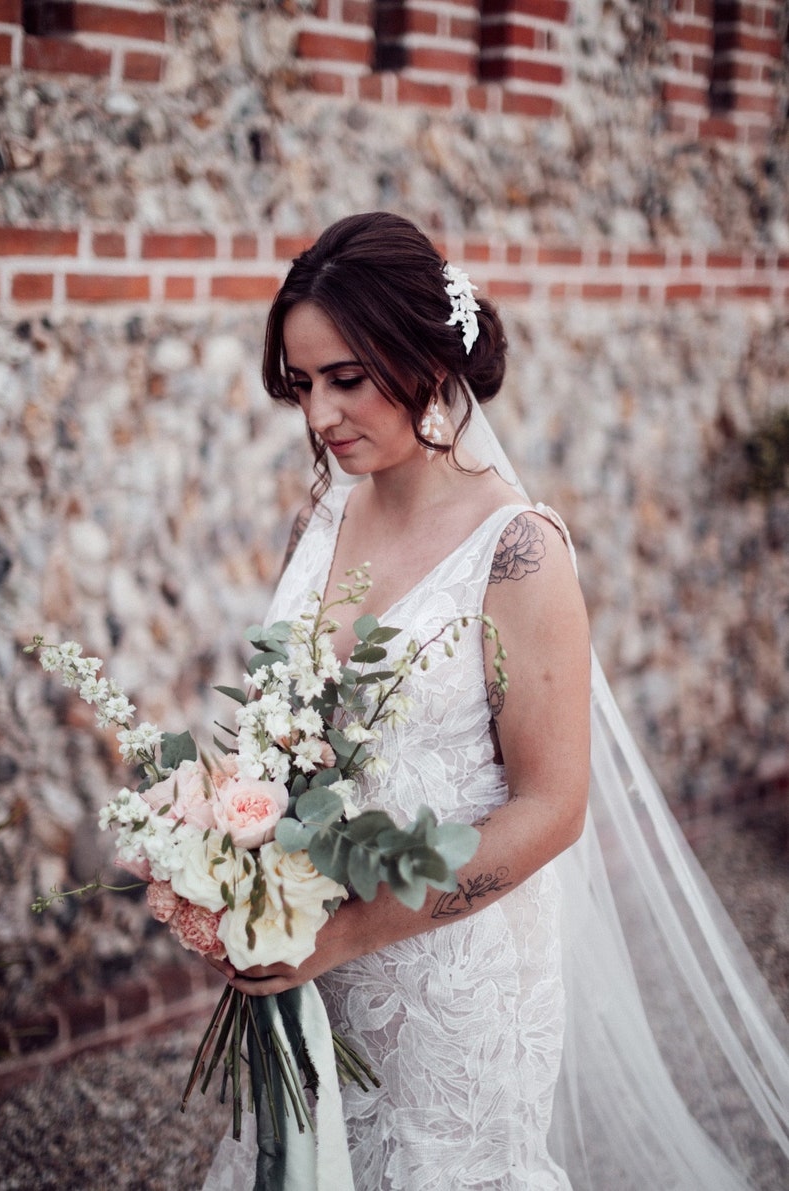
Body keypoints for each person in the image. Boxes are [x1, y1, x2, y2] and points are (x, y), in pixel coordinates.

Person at [205, 212, 789, 1190]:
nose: (318, 416)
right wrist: (228, 872)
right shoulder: (321, 515)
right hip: (308, 970)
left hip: (450, 989)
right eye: (301, 385)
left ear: (426, 358)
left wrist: (344, 932)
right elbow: (284, 727)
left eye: (345, 378)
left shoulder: (516, 551)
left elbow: (550, 808)